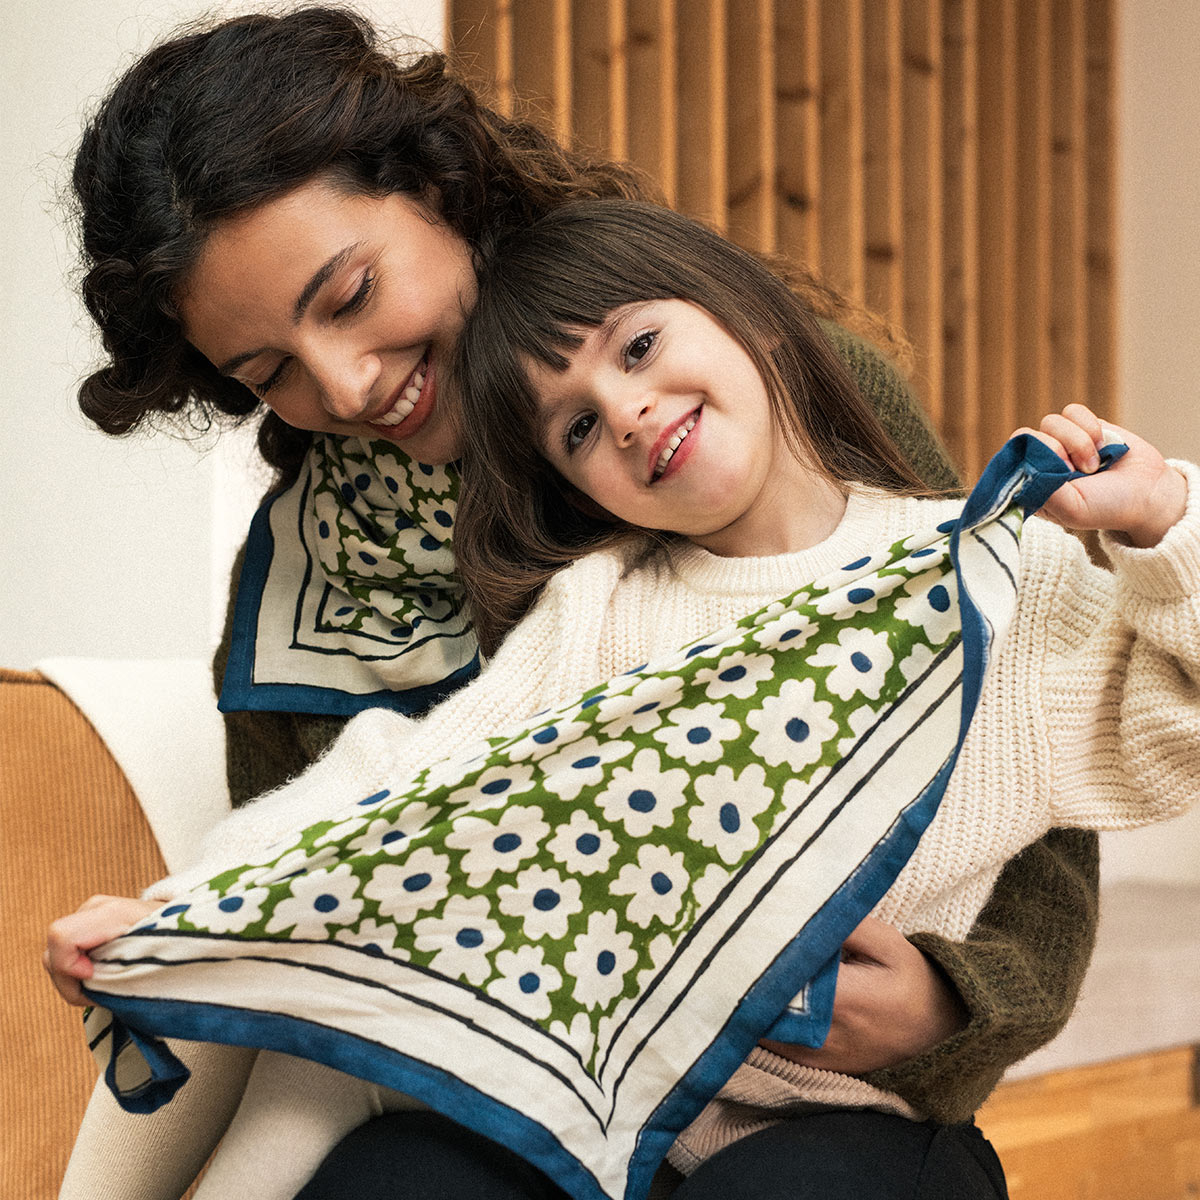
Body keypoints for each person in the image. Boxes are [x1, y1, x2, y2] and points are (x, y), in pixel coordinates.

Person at [44, 7, 1098, 1197]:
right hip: (504, 1109)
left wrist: (949, 1005)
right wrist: (179, 932)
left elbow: (1010, 743)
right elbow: (325, 882)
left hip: (810, 1106)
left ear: (438, 187)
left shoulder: (753, 401)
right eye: (270, 373)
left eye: (348, 296)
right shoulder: (305, 583)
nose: (343, 384)